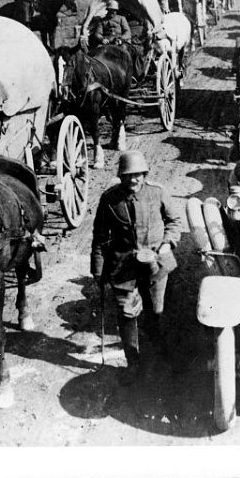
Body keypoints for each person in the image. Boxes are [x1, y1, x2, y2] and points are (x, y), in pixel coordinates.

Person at [90, 151, 183, 383]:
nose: (134, 180)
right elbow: (100, 237)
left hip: (156, 264)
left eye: (138, 175)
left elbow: (175, 222)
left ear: (145, 174)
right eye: (128, 176)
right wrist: (98, 271)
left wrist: (166, 244)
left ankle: (160, 356)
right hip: (124, 267)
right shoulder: (110, 199)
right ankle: (134, 363)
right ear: (121, 176)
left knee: (157, 312)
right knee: (126, 314)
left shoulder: (158, 193)